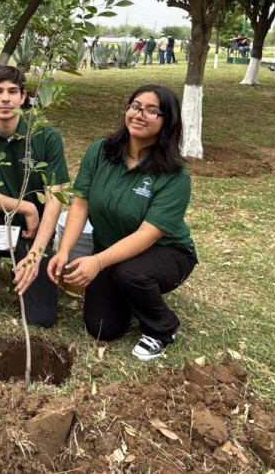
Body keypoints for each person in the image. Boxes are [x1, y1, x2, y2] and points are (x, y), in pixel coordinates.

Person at [48, 85, 195, 361]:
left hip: (166, 251)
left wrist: (99, 262)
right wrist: (64, 251)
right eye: (135, 106)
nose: (140, 114)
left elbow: (147, 235)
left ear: (167, 121)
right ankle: (128, 294)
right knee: (102, 328)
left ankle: (161, 327)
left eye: (152, 111)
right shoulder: (100, 151)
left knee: (129, 273)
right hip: (111, 251)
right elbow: (80, 204)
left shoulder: (175, 174)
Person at [0, 66, 69, 327]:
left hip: (35, 230)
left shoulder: (45, 136)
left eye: (12, 91)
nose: (5, 98)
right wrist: (26, 207)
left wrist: (38, 252)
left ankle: (25, 258)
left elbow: (55, 199)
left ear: (23, 97)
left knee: (41, 318)